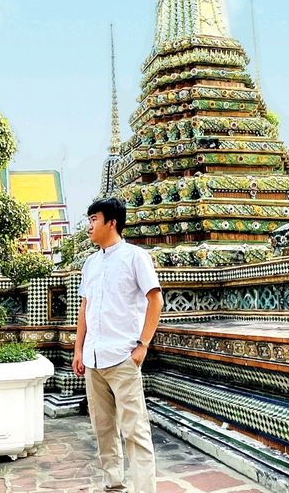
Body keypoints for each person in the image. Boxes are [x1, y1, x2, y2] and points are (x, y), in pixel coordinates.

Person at [72, 197, 163, 493]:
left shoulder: (136, 257)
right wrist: (78, 349)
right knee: (103, 429)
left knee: (135, 431)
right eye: (89, 220)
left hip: (123, 357)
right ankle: (113, 484)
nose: (89, 226)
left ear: (112, 222)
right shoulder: (90, 263)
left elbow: (155, 299)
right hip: (94, 359)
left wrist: (143, 346)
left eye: (94, 219)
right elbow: (85, 307)